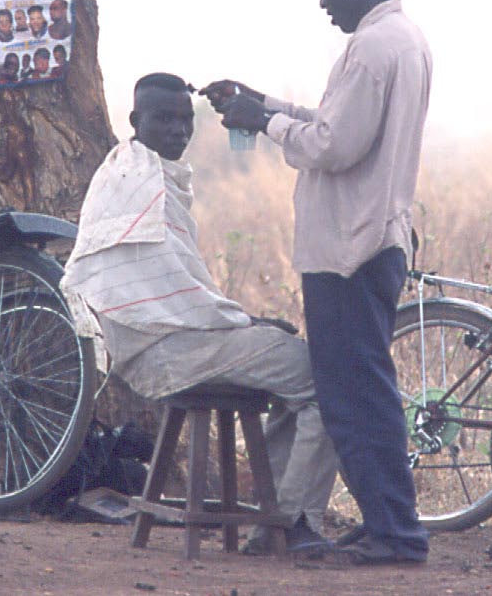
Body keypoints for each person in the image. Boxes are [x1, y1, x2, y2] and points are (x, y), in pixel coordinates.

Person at [200, 0, 432, 566]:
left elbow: (333, 146)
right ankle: (391, 521)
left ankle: (396, 534)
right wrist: (266, 103)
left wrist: (263, 123)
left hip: (348, 248)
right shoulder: (402, 40)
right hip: (375, 238)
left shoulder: (371, 49)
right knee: (365, 390)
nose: (324, 1)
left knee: (353, 398)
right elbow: (339, 125)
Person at [62, 72, 339, 556]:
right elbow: (178, 298)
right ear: (136, 121)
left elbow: (175, 287)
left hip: (168, 342)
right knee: (331, 380)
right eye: (164, 119)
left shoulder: (130, 170)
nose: (178, 131)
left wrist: (239, 321)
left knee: (300, 380)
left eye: (185, 120)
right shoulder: (138, 180)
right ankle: (294, 523)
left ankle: (270, 523)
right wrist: (243, 322)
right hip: (164, 350)